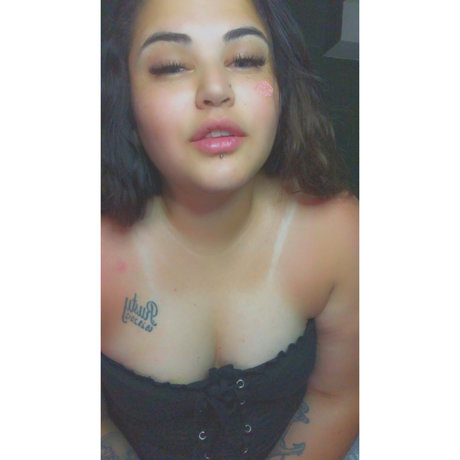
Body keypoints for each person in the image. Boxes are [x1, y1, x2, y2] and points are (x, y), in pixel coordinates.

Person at [101, 0, 358, 458]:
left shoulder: (337, 232)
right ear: (124, 96)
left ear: (281, 85)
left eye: (245, 60)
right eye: (171, 66)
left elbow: (337, 398)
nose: (216, 89)